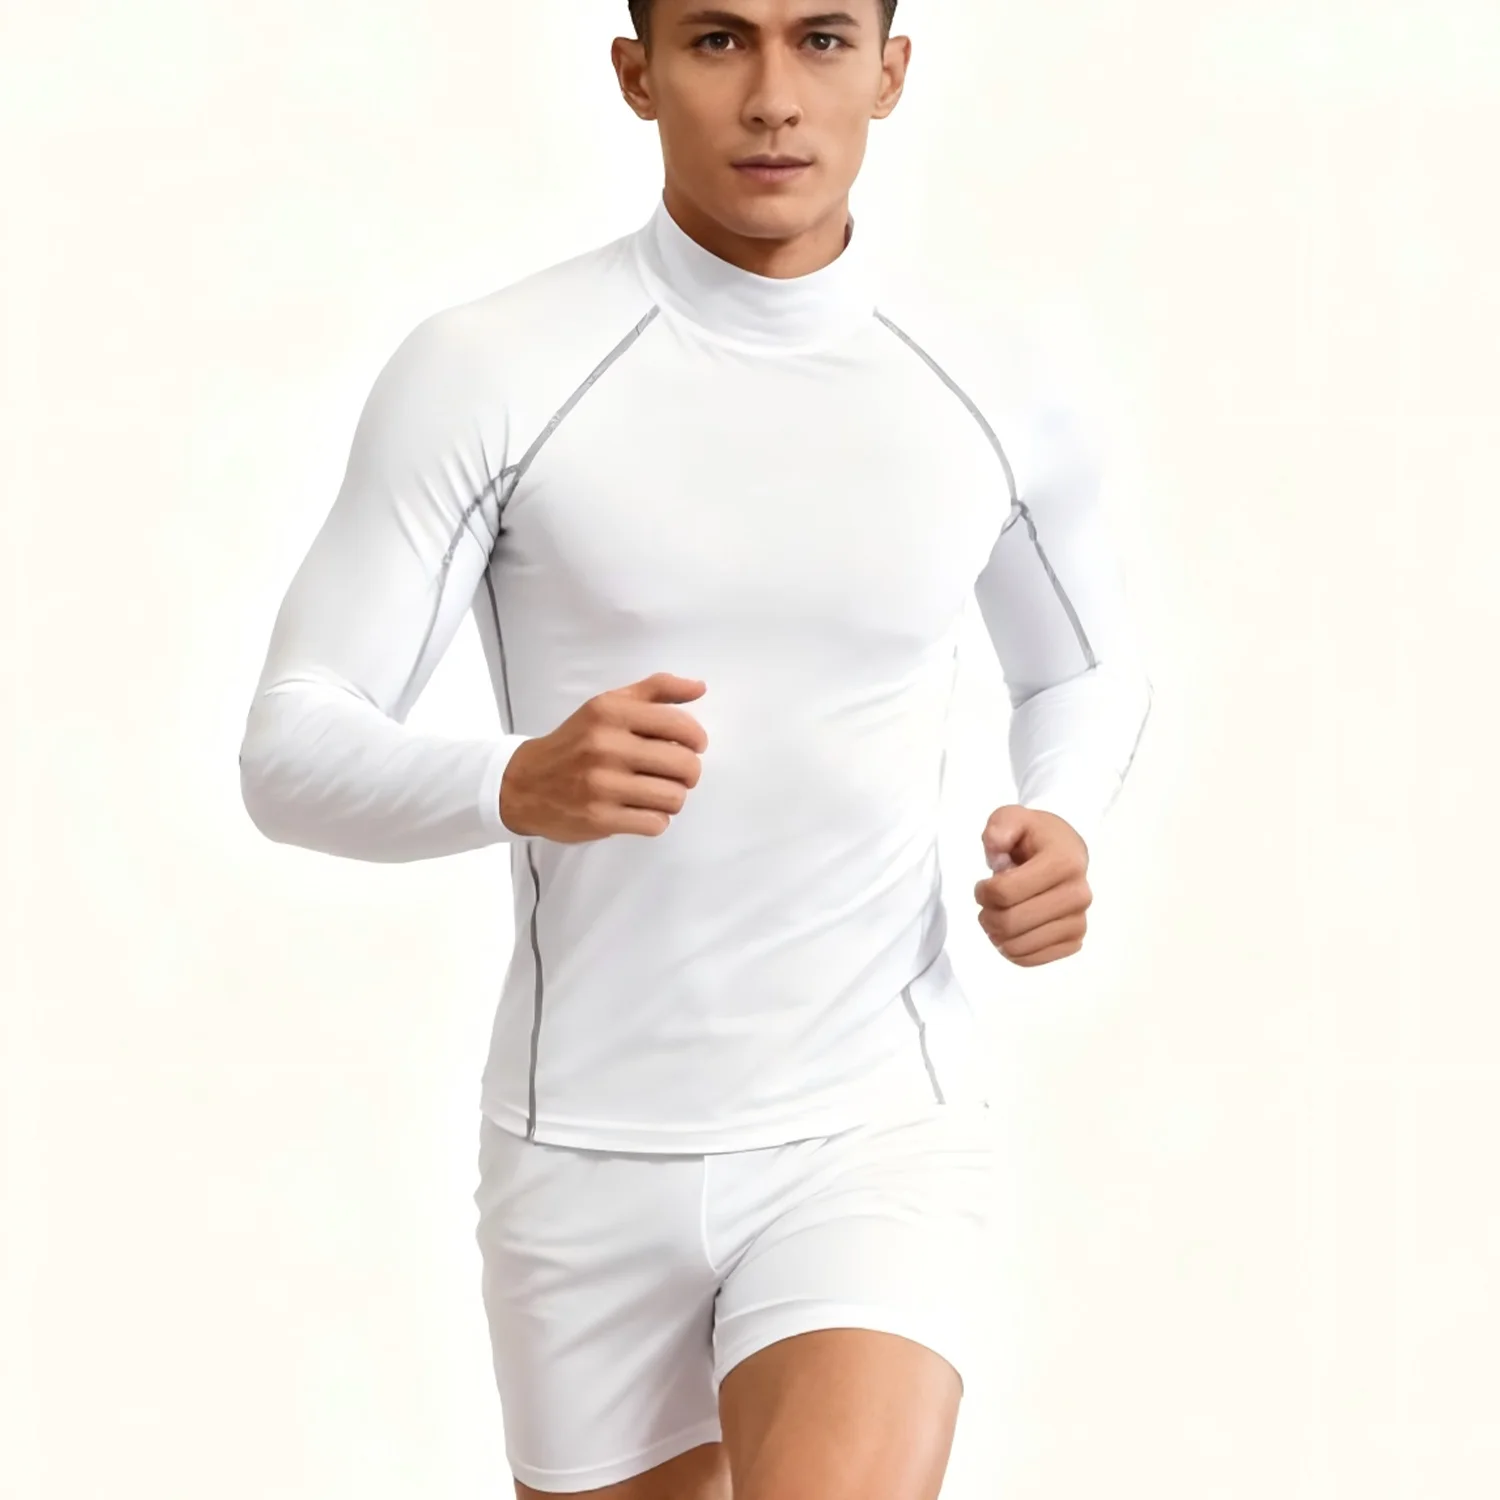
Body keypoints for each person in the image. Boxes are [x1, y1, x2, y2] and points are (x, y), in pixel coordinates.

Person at [237, 0, 1154, 1495]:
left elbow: (1085, 668)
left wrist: (1066, 813)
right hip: (581, 1145)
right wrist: (511, 780)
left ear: (891, 72)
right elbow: (289, 747)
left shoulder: (991, 376)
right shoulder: (491, 368)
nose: (775, 96)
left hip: (875, 1123)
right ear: (637, 73)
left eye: (823, 39)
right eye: (720, 41)